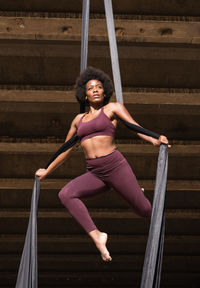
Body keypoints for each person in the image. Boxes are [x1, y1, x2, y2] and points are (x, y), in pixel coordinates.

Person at [35, 67, 169, 262]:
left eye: (99, 87)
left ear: (105, 91)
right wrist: (47, 170)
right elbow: (65, 149)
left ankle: (132, 190)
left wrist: (155, 139)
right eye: (91, 88)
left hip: (115, 167)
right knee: (65, 194)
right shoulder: (78, 120)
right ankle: (97, 235)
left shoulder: (113, 109)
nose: (95, 90)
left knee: (145, 211)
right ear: (85, 95)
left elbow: (134, 127)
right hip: (95, 173)